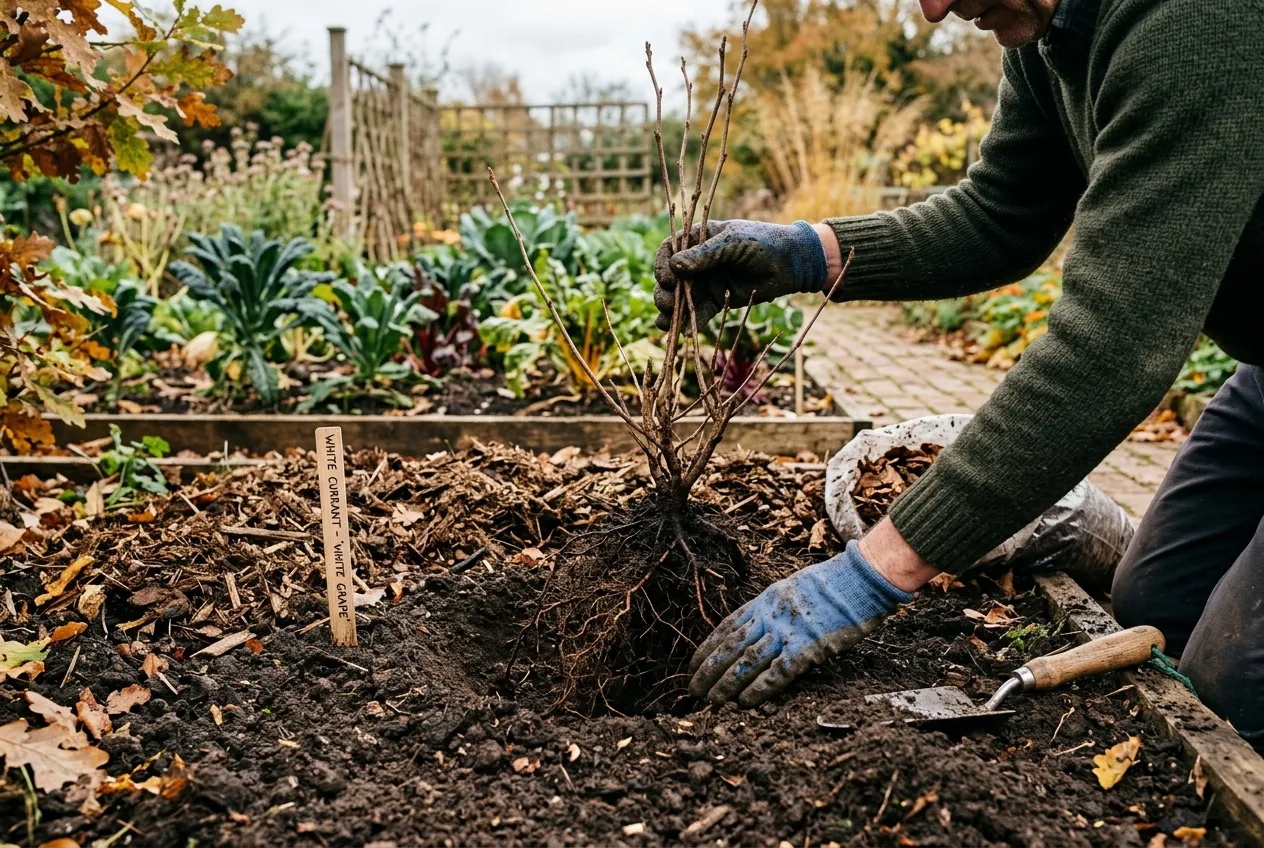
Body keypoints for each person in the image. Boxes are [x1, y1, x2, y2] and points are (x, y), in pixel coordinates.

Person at [657, 0, 1264, 750]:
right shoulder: (1053, 31)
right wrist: (806, 252)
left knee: (1238, 680)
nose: (935, 8)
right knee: (1153, 599)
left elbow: (1110, 346)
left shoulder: (1200, 20)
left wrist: (872, 573)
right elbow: (1001, 212)